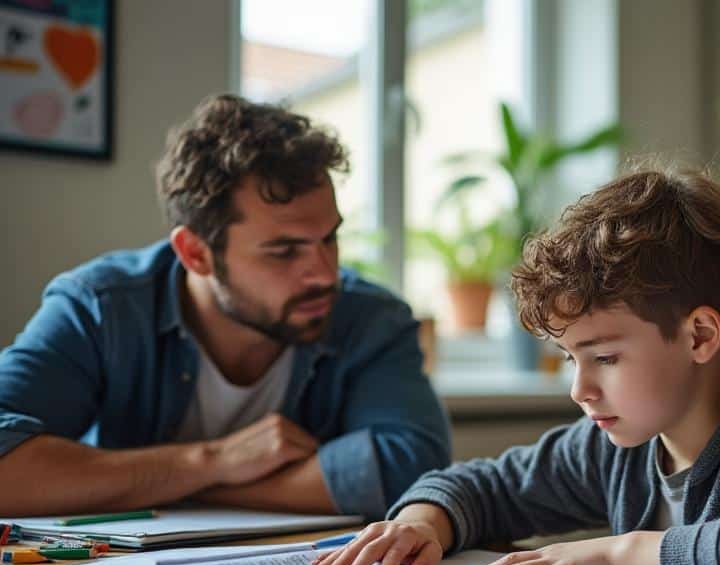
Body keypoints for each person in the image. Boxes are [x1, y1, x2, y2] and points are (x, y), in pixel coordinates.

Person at [314, 168, 720, 565]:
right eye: (570, 358)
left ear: (698, 335)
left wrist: (621, 554)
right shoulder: (619, 446)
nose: (580, 389)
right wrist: (421, 522)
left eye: (603, 356)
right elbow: (488, 487)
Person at [0, 95, 450, 520]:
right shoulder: (101, 308)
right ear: (196, 253)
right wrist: (212, 461)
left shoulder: (371, 319)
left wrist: (180, 484)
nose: (325, 274)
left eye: (329, 237)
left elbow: (412, 468)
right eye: (284, 251)